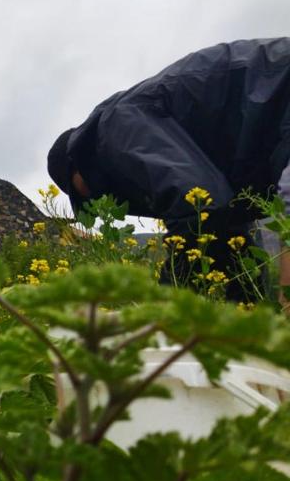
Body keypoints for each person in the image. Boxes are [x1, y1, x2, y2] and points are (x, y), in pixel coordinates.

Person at [47, 38, 290, 302]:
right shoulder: (128, 132)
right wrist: (246, 311)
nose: (92, 202)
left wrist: (162, 311)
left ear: (75, 165)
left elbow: (200, 209)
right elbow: (230, 229)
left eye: (78, 193)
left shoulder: (117, 128)